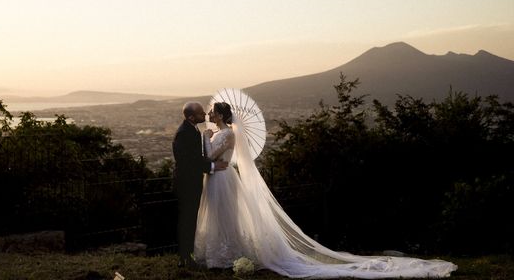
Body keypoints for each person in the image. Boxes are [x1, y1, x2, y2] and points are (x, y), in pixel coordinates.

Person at [194, 101, 457, 278]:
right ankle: (219, 254)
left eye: (213, 112)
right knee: (220, 216)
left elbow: (213, 155)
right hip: (217, 177)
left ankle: (226, 255)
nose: (210, 115)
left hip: (223, 178)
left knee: (226, 215)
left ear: (221, 115)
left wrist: (205, 139)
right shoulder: (219, 131)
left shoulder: (226, 134)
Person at [172, 101, 227, 268]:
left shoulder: (192, 130)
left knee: (190, 219)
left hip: (191, 182)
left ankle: (187, 256)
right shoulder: (184, 133)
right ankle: (184, 258)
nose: (205, 115)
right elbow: (187, 162)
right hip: (187, 184)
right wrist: (211, 166)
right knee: (187, 220)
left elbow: (196, 157)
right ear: (191, 117)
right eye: (201, 113)